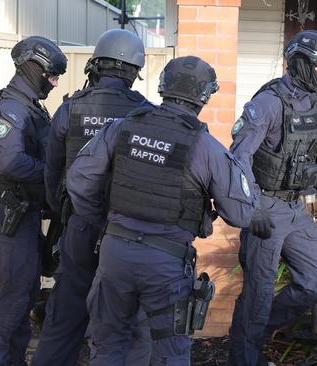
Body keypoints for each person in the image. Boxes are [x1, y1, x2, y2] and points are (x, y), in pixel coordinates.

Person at [67, 55, 259, 365]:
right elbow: (242, 214)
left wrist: (105, 221)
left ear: (162, 86)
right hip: (166, 264)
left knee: (107, 346)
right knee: (170, 353)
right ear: (205, 95)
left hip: (115, 253)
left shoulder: (121, 128)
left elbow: (78, 180)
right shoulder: (207, 148)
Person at [33, 29, 152, 366]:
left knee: (65, 314)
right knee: (128, 320)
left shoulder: (70, 109)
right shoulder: (145, 112)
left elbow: (52, 172)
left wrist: (67, 214)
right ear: (133, 71)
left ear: (96, 65)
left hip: (79, 226)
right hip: (125, 232)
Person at [227, 30, 317, 366]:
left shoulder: (315, 103)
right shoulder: (268, 102)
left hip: (296, 208)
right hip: (266, 206)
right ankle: (245, 356)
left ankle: (255, 329)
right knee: (258, 293)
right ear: (304, 64)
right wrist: (253, 205)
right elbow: (238, 156)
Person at [0, 36, 67, 366]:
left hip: (24, 214)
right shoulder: (11, 109)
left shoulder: (29, 104)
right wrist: (53, 174)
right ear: (34, 68)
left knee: (25, 296)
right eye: (52, 76)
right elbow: (11, 162)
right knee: (11, 303)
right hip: (9, 215)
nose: (54, 83)